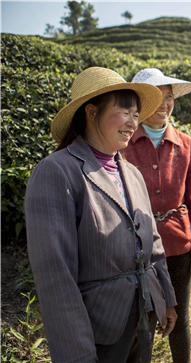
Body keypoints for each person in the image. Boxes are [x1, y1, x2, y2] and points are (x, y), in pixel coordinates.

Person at [24, 66, 178, 363]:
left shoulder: (130, 172)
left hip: (142, 313)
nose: (133, 123)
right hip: (99, 323)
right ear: (91, 112)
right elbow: (56, 276)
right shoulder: (57, 171)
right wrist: (76, 353)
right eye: (124, 112)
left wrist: (167, 299)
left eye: (136, 115)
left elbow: (152, 242)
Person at [122, 68, 191, 363]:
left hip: (177, 244)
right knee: (142, 320)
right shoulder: (122, 143)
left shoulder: (185, 143)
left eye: (169, 97)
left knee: (180, 318)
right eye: (155, 97)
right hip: (136, 247)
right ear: (140, 103)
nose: (164, 104)